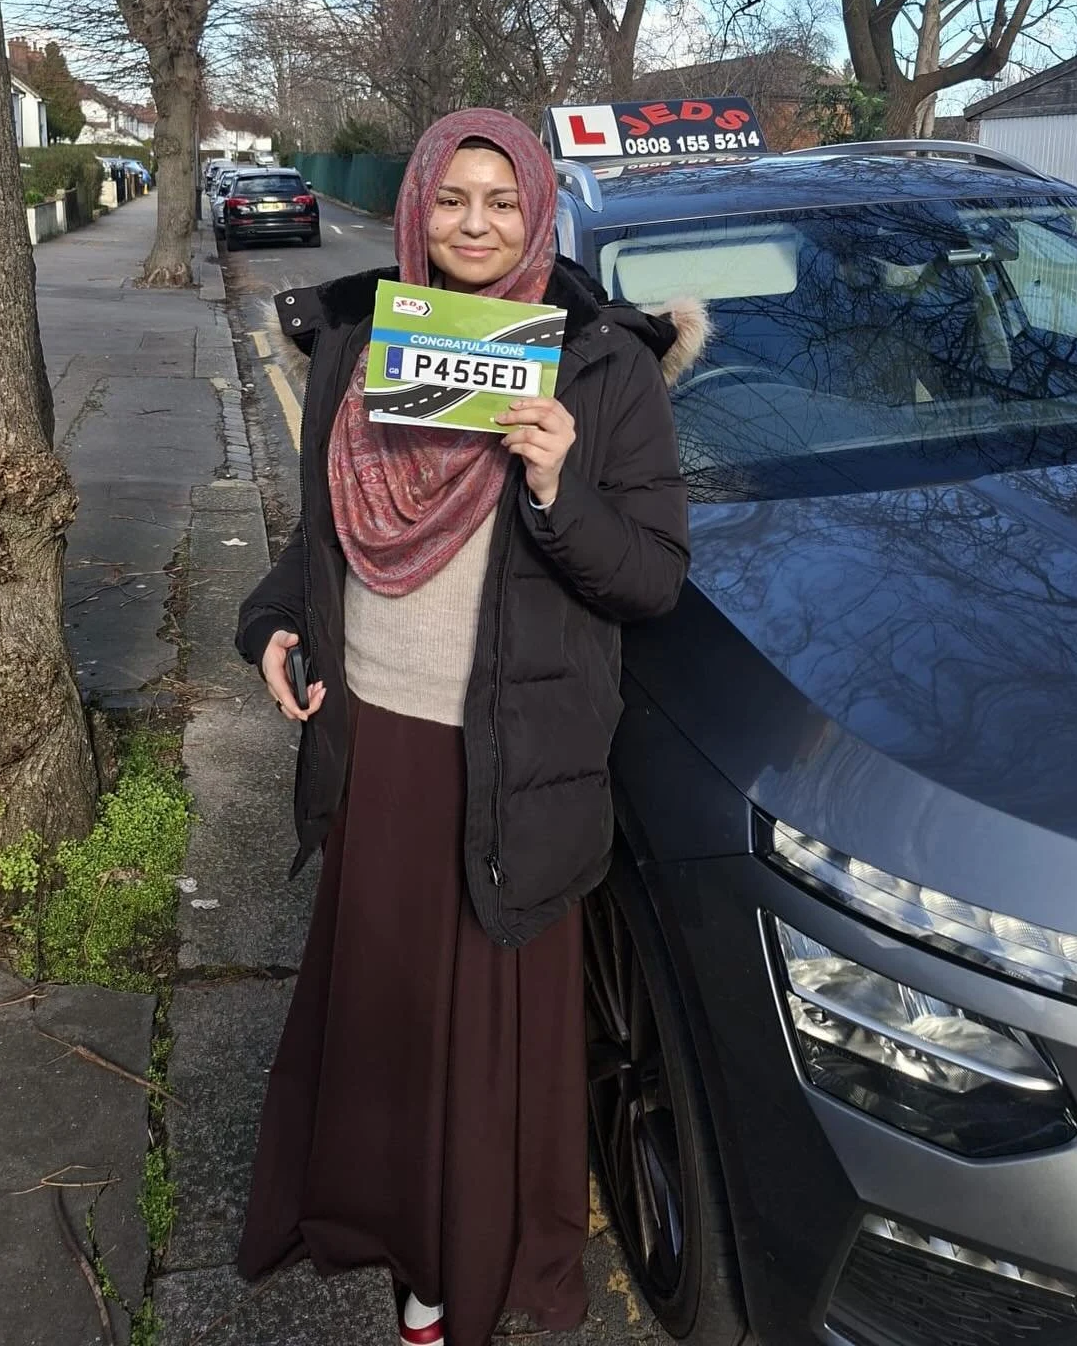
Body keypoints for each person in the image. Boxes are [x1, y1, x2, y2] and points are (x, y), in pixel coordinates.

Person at [233, 108, 706, 1346]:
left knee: (489, 1050)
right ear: (417, 209)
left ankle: (476, 1269)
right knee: (388, 1029)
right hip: (375, 742)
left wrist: (557, 485)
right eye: (452, 199)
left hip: (514, 765)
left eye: (502, 201)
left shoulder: (602, 366)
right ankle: (407, 1264)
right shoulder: (360, 341)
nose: (476, 225)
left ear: (537, 210)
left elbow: (651, 579)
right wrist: (273, 622)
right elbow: (323, 537)